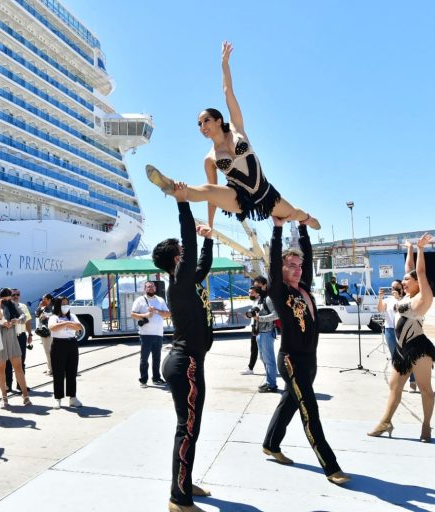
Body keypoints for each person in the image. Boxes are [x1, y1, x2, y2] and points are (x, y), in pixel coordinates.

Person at [146, 42, 320, 234]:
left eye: (206, 121)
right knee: (208, 191)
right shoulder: (210, 158)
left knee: (294, 213)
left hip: (265, 193)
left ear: (219, 120)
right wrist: (210, 226)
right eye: (199, 124)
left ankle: (309, 219)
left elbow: (228, 91)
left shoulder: (237, 128)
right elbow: (212, 195)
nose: (203, 126)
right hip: (238, 197)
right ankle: (171, 186)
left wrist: (225, 64)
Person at [262, 217, 349, 485]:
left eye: (299, 266)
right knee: (309, 410)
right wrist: (277, 230)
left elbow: (308, 258)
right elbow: (275, 260)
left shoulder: (304, 290)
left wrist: (303, 229)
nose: (298, 270)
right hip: (291, 360)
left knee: (288, 403)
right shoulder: (279, 290)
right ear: (281, 269)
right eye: (291, 266)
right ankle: (330, 466)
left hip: (310, 360)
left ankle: (271, 444)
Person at [152, 183, 214, 512]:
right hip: (185, 364)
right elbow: (188, 245)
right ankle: (179, 498)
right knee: (187, 430)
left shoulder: (184, 280)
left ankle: (184, 482)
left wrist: (208, 237)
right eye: (181, 251)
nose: (184, 253)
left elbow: (202, 264)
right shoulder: (177, 279)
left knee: (191, 429)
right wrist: (183, 204)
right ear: (177, 258)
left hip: (186, 361)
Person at [369, 234, 435, 443]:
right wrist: (409, 249)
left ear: (418, 282)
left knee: (425, 389)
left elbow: (419, 271)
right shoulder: (407, 295)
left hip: (419, 349)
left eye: (407, 280)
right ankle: (385, 422)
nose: (403, 282)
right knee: (394, 386)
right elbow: (410, 269)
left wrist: (420, 248)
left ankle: (426, 426)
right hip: (402, 350)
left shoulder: (423, 297)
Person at [378, 278, 417, 391]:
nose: (393, 290)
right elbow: (380, 309)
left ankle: (412, 380)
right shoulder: (388, 300)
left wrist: (398, 299)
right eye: (392, 288)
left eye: (396, 288)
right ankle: (399, 383)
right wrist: (380, 298)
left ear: (402, 289)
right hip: (390, 330)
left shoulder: (407, 299)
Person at [0, 288, 32, 406]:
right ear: (0, 295)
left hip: (12, 337)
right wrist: (4, 321)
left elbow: (24, 316)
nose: (7, 297)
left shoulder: (14, 305)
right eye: (5, 295)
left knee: (19, 367)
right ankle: (4, 397)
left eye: (9, 295)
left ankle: (25, 396)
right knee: (1, 369)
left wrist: (17, 320)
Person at [130, 281, 170, 387]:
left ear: (155, 289)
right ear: (145, 289)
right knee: (144, 358)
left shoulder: (160, 300)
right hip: (145, 334)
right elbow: (132, 314)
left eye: (152, 286)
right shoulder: (140, 300)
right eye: (148, 287)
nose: (151, 288)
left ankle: (156, 378)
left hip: (158, 333)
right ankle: (143, 380)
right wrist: (145, 315)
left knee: (157, 358)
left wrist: (156, 310)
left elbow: (167, 314)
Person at [48, 296, 83, 410]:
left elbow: (78, 327)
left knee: (72, 372)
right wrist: (67, 324)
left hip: (71, 344)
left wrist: (65, 324)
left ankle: (72, 397)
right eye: (63, 304)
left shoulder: (72, 316)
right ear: (58, 305)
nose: (65, 306)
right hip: (58, 345)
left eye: (67, 303)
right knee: (58, 372)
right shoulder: (53, 317)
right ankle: (58, 398)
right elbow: (53, 328)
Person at [249, 284, 279, 393]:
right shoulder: (260, 300)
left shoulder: (268, 299)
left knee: (269, 359)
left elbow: (276, 315)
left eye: (257, 287)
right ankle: (269, 381)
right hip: (259, 333)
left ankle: (272, 385)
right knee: (263, 358)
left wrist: (259, 318)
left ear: (264, 286)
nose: (254, 290)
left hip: (266, 333)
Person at [5, 288, 32, 392]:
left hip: (21, 336)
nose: (15, 296)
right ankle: (8, 385)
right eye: (13, 294)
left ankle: (20, 385)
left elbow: (28, 321)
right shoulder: (6, 306)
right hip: (9, 336)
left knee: (21, 361)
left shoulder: (23, 306)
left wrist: (30, 334)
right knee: (8, 361)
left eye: (17, 294)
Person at [35, 294, 54, 375]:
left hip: (51, 331)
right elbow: (36, 314)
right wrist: (40, 307)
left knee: (50, 351)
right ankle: (49, 367)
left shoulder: (54, 307)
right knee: (47, 350)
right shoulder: (42, 306)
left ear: (50, 300)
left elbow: (57, 316)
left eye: (45, 299)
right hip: (44, 331)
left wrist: (47, 317)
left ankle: (51, 369)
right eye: (43, 299)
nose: (43, 300)